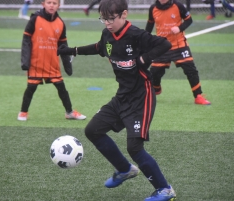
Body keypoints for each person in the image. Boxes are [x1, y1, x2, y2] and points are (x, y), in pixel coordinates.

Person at [57, 0, 176, 200]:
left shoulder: (136, 35)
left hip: (142, 96)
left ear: (124, 14)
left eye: (111, 19)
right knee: (92, 130)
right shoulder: (107, 34)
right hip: (122, 96)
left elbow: (164, 44)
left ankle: (165, 189)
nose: (107, 23)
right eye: (103, 19)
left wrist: (146, 58)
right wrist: (72, 51)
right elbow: (99, 47)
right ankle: (124, 169)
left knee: (134, 147)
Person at [17, 0, 86, 121]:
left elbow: (63, 46)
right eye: (49, 2)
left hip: (52, 63)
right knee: (31, 87)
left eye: (54, 3)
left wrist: (67, 65)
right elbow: (26, 40)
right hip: (36, 62)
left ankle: (69, 112)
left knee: (61, 87)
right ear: (43, 4)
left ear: (58, 5)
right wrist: (25, 61)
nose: (51, 5)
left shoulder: (60, 23)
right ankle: (23, 112)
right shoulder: (35, 19)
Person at [145, 0, 211, 105]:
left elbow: (189, 20)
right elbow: (149, 25)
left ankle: (198, 96)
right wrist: (145, 41)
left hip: (179, 45)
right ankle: (156, 88)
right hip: (162, 46)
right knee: (155, 72)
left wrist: (180, 28)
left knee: (190, 69)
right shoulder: (153, 8)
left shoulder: (178, 5)